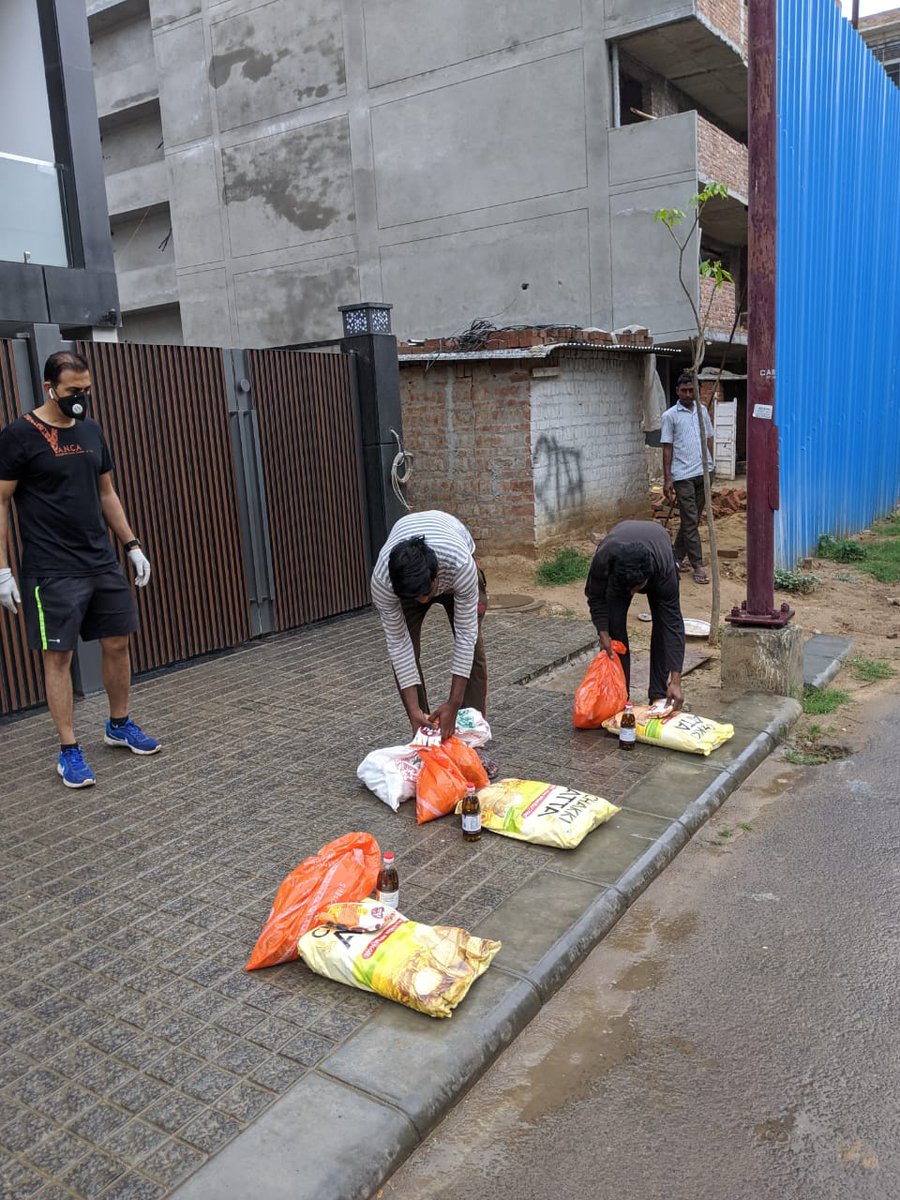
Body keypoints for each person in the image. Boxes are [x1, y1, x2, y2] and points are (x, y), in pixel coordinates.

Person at [0, 351, 160, 788]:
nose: (81, 399)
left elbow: (106, 491)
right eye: (73, 391)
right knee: (60, 657)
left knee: (117, 642)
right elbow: (1, 501)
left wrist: (131, 545)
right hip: (51, 568)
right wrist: (2, 570)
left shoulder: (91, 430)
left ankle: (119, 725)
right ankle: (69, 750)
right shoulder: (19, 435)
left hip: (99, 559)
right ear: (50, 386)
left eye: (86, 390)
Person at [371, 510, 488, 742]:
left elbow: (466, 635)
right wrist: (412, 710)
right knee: (408, 653)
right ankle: (424, 727)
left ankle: (472, 732)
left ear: (436, 577)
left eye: (426, 594)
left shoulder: (460, 564)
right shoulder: (383, 582)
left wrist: (454, 703)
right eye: (416, 597)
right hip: (412, 583)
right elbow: (398, 644)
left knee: (472, 648)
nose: (423, 601)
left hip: (455, 574)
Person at [585, 519, 685, 709]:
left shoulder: (664, 570)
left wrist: (676, 680)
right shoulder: (604, 559)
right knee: (615, 634)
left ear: (647, 578)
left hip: (658, 552)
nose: (632, 594)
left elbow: (672, 625)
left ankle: (658, 695)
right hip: (619, 568)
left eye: (635, 589)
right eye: (628, 590)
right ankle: (620, 696)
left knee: (663, 629)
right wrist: (603, 632)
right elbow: (595, 595)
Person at [660, 372, 715, 584]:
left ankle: (675, 557)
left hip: (704, 472)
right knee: (690, 520)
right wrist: (667, 478)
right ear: (677, 391)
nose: (688, 394)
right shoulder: (670, 416)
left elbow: (708, 438)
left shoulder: (702, 411)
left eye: (692, 390)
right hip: (683, 475)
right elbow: (667, 448)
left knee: (691, 520)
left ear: (698, 391)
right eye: (684, 390)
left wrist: (711, 465)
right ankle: (698, 564)